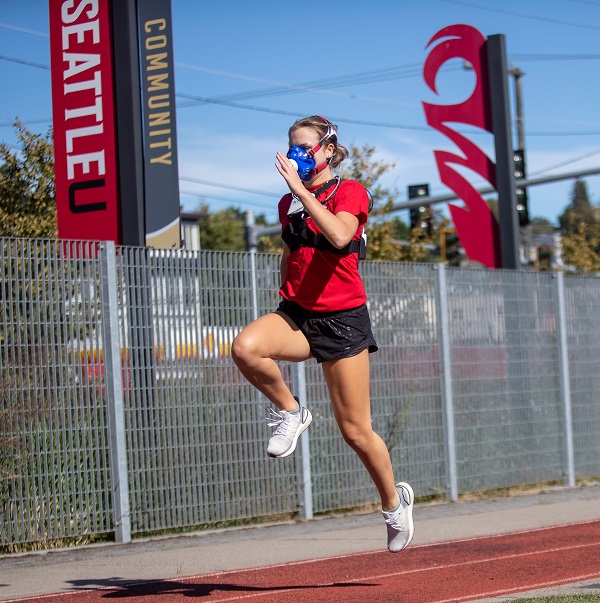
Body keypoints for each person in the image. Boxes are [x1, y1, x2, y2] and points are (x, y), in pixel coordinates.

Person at [231, 115, 414, 553]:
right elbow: (291, 253)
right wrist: (284, 297)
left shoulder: (349, 191)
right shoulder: (286, 203)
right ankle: (290, 412)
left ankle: (394, 503)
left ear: (328, 150)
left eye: (305, 147)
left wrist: (301, 192)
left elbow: (338, 235)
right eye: (291, 146)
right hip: (297, 314)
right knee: (245, 348)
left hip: (343, 320)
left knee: (355, 431)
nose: (296, 155)